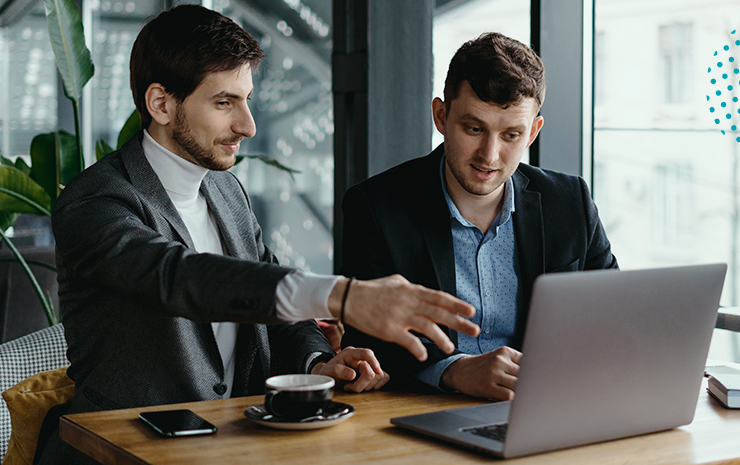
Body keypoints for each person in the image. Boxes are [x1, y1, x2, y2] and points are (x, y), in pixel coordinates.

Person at [37, 5, 478, 463]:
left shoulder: (226, 190)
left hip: (233, 446)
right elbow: (179, 277)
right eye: (224, 102)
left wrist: (317, 365)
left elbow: (268, 291)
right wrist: (343, 295)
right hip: (119, 451)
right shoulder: (94, 201)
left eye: (247, 100)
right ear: (161, 104)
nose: (248, 126)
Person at [340, 32, 618, 401]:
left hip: (546, 406)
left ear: (532, 132)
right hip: (423, 414)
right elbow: (368, 348)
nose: (490, 155)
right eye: (474, 128)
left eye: (511, 135)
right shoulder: (375, 208)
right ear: (441, 116)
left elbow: (614, 318)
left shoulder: (570, 202)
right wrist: (453, 371)